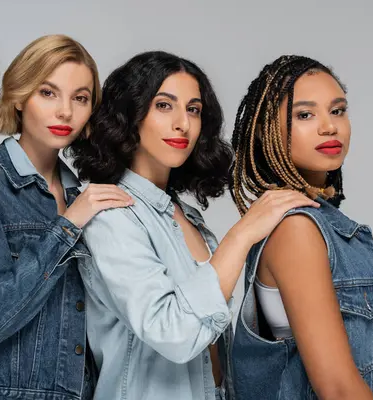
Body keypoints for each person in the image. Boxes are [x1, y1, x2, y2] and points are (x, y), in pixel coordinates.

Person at [69, 50, 318, 400]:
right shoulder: (111, 214)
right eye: (164, 105)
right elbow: (174, 333)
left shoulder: (189, 218)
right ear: (130, 114)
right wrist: (244, 233)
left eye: (193, 109)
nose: (182, 123)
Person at [0, 34, 131, 399]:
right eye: (48, 93)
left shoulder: (84, 195)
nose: (65, 111)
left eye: (80, 98)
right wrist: (67, 226)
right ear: (19, 97)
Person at [230, 54, 373, 399]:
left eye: (337, 110)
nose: (329, 126)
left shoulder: (329, 226)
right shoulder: (297, 229)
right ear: (268, 132)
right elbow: (337, 388)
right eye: (305, 114)